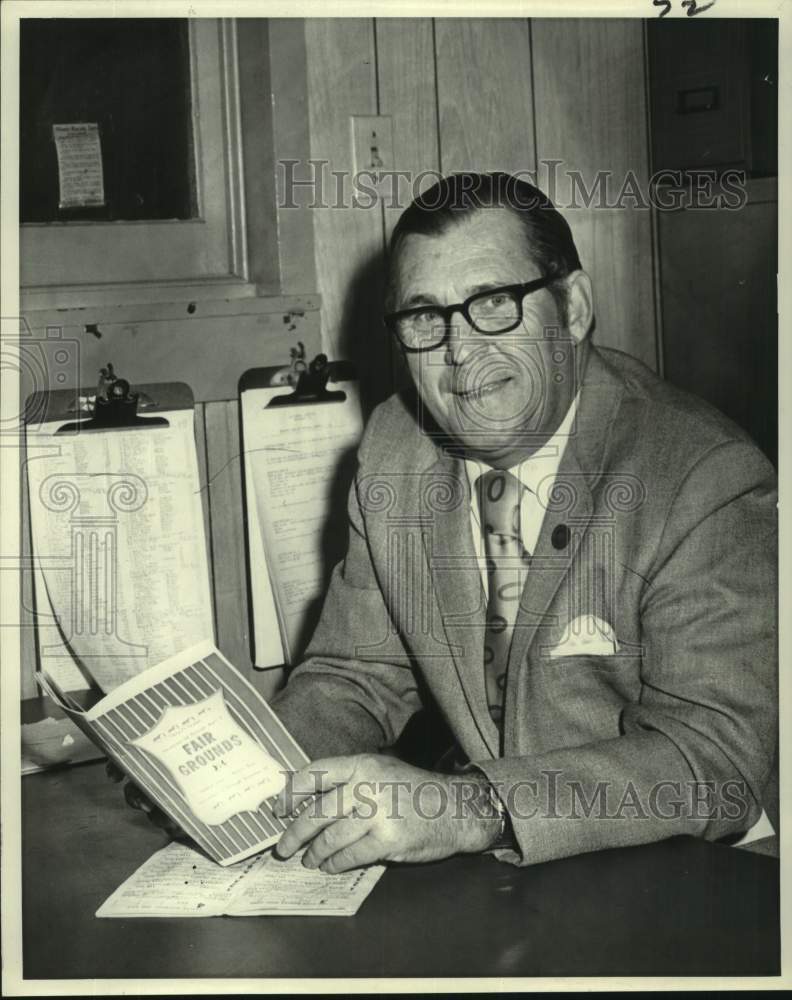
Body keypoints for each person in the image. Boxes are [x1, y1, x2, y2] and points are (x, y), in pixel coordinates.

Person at [124, 173, 778, 874]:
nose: (461, 351)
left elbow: (713, 757)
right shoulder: (395, 452)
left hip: (690, 873)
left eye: (494, 303)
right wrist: (240, 775)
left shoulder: (699, 474)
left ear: (574, 308)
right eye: (425, 318)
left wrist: (467, 807)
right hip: (504, 872)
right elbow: (356, 675)